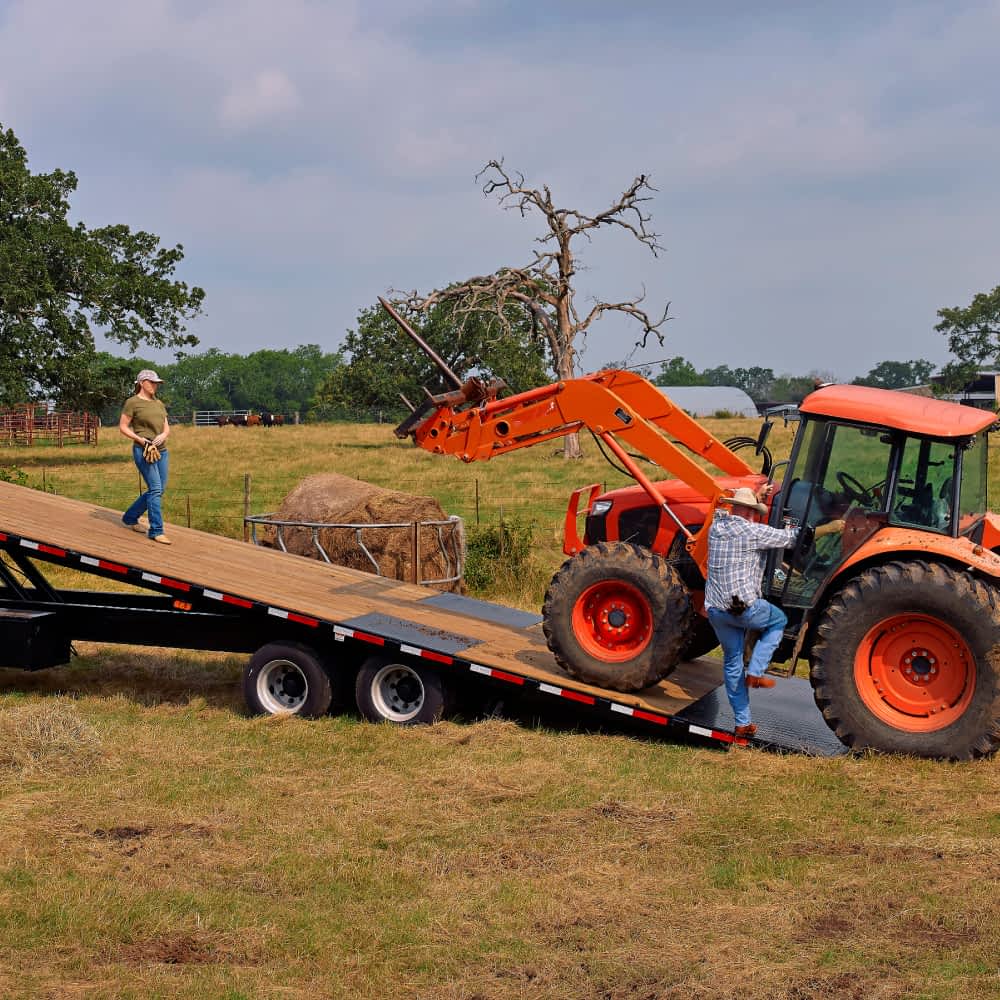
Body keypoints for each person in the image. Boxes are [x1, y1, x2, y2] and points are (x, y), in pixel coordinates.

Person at [704, 485, 843, 739]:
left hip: (716, 609)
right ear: (749, 513)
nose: (757, 516)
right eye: (755, 511)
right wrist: (832, 528)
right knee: (777, 620)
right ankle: (756, 673)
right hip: (741, 607)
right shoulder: (752, 532)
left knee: (733, 663)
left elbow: (736, 516)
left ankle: (742, 724)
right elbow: (795, 537)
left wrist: (758, 496)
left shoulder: (717, 527)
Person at [119, 369, 172, 545]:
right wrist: (140, 440)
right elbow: (123, 427)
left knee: (158, 489)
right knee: (156, 489)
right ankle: (156, 530)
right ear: (142, 383)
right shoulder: (132, 402)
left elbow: (166, 428)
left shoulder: (159, 403)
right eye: (152, 382)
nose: (155, 385)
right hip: (143, 451)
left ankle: (130, 518)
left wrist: (163, 436)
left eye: (157, 383)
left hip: (162, 451)